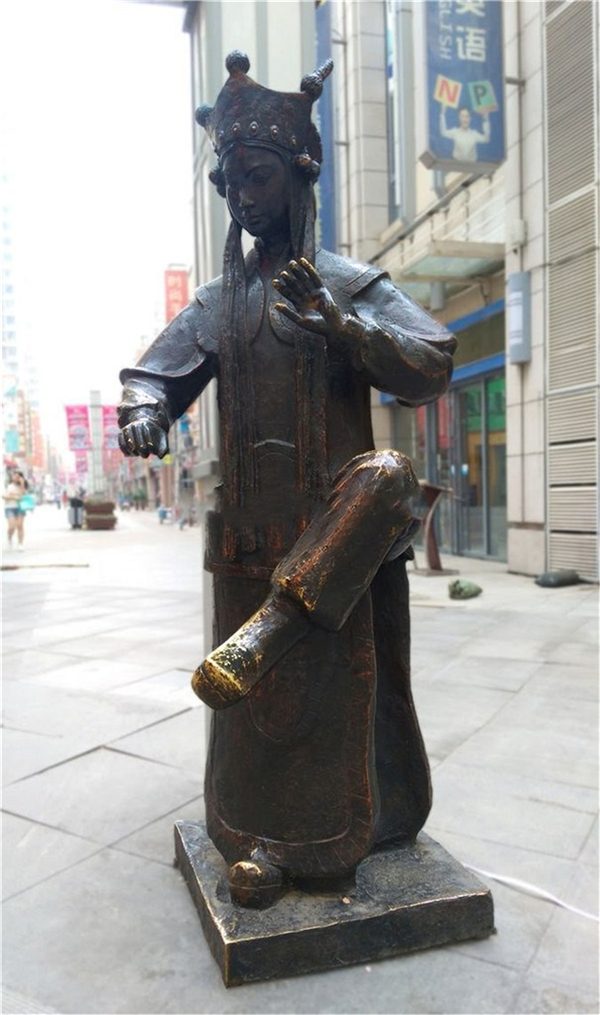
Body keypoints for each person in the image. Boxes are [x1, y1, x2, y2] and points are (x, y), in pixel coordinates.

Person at [118, 52, 456, 906]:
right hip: (253, 540)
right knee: (272, 716)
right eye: (230, 183)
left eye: (257, 176)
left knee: (388, 477)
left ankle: (280, 624)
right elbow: (153, 373)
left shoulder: (347, 283)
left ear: (299, 174)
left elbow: (432, 363)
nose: (242, 197)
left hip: (338, 534)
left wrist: (345, 327)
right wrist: (145, 410)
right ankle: (264, 836)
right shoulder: (220, 302)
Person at [3, 471, 28, 551]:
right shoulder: (8, 485)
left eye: (18, 477)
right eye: (14, 476)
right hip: (10, 508)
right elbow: (3, 496)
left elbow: (23, 495)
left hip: (20, 507)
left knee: (20, 526)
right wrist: (14, 497)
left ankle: (20, 544)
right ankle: (9, 538)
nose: (16, 478)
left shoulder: (22, 486)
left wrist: (22, 484)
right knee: (12, 527)